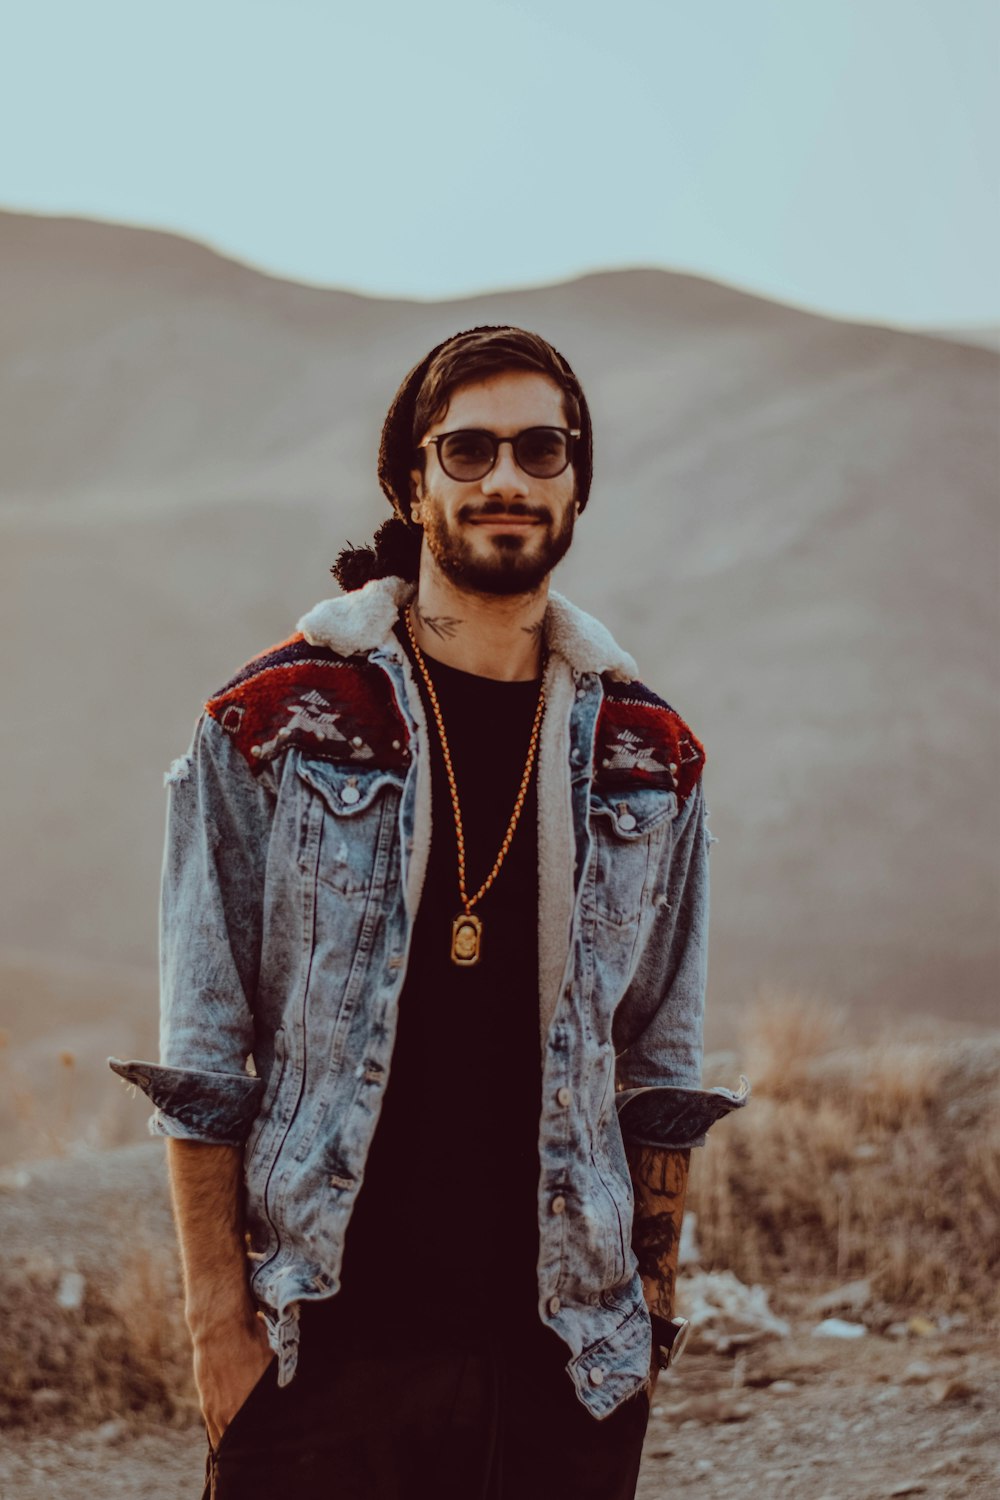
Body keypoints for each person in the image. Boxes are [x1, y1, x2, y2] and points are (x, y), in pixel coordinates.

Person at [111, 325, 748, 1499]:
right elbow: (205, 1052)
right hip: (319, 1361)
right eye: (468, 451)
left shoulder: (648, 757)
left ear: (575, 484)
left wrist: (647, 1319)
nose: (506, 477)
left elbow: (660, 1068)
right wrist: (218, 1333)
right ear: (412, 482)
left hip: (564, 1368)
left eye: (539, 449)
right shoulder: (276, 720)